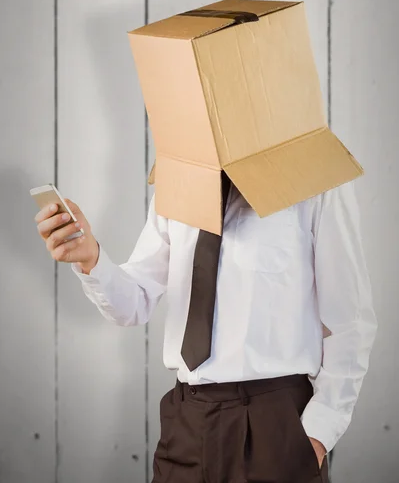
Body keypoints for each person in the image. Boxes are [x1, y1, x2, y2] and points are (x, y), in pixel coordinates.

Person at [34, 177, 378, 483]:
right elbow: (134, 302)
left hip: (274, 423)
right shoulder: (178, 179)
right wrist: (90, 257)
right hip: (187, 421)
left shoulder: (316, 178)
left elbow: (351, 322)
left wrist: (317, 435)